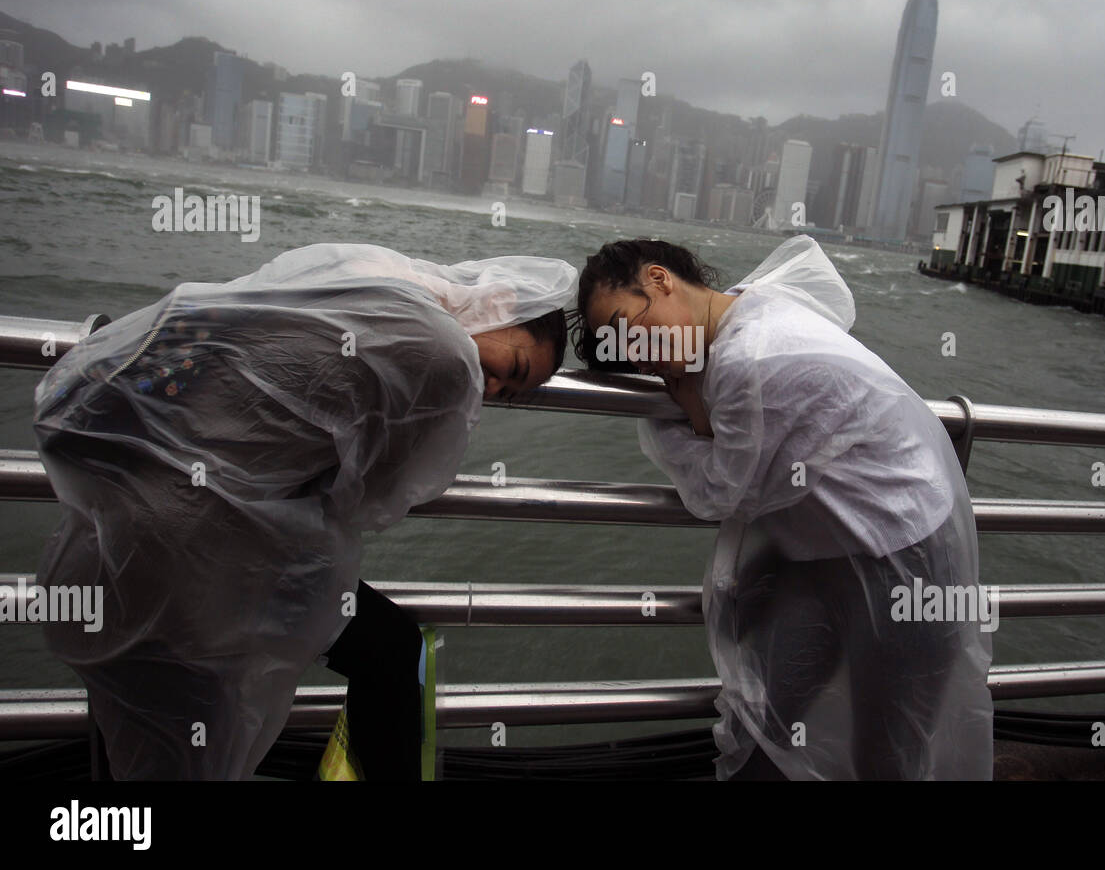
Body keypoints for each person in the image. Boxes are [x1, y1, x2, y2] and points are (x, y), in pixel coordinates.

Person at [34, 242, 576, 780]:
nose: (494, 386)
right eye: (515, 366)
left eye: (510, 393)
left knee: (154, 718)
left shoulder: (375, 268)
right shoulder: (444, 352)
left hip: (128, 512)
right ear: (503, 299)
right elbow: (373, 498)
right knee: (193, 729)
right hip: (199, 544)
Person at [574, 235, 993, 780]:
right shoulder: (750, 307)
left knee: (886, 745)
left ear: (658, 279)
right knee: (768, 716)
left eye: (630, 325)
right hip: (831, 550)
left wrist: (683, 418)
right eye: (620, 348)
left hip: (906, 558)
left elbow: (722, 493)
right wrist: (697, 398)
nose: (635, 353)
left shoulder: (750, 358)